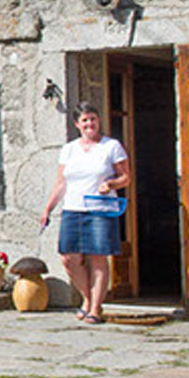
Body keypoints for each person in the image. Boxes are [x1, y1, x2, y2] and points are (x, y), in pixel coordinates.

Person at [38, 101, 130, 325]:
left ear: (99, 120)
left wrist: (111, 184)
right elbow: (61, 182)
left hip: (100, 209)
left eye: (93, 119)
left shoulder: (111, 146)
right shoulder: (69, 149)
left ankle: (96, 308)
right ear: (77, 124)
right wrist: (48, 208)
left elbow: (126, 177)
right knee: (69, 257)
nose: (90, 123)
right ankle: (87, 299)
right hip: (73, 208)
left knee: (98, 257)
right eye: (85, 120)